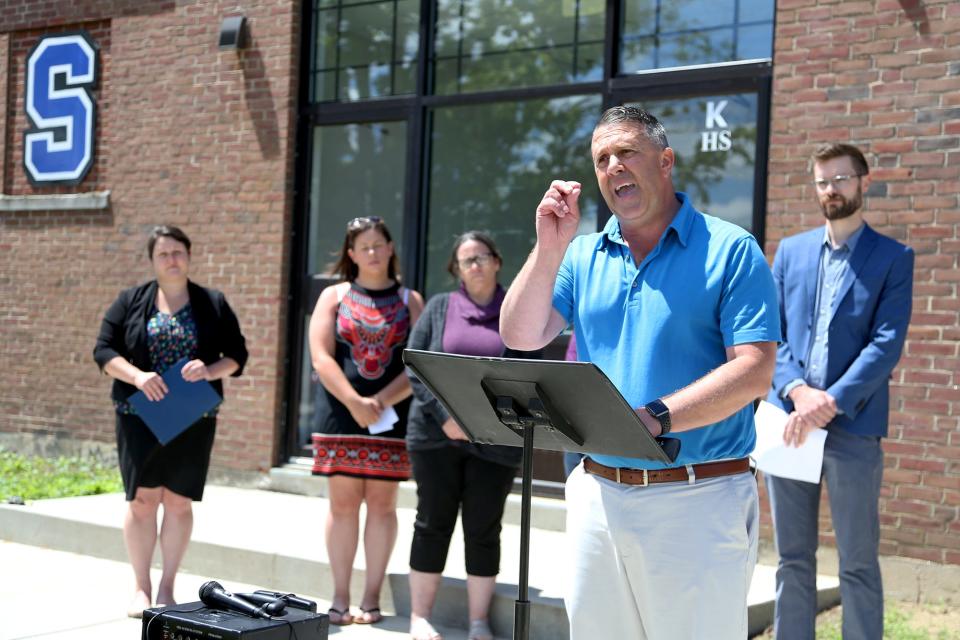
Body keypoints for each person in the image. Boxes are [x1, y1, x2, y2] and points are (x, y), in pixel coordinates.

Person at [499, 105, 780, 639]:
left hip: (696, 497)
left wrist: (654, 418)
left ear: (665, 160)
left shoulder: (731, 249)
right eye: (602, 159)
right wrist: (548, 246)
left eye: (626, 152)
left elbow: (754, 372)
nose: (613, 167)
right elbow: (520, 334)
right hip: (595, 494)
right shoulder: (582, 255)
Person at [765, 143, 914, 639]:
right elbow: (772, 333)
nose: (831, 189)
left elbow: (886, 344)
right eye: (823, 181)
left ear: (864, 183)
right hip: (790, 424)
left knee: (857, 562)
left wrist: (828, 401)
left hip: (853, 427)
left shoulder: (894, 258)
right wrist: (797, 391)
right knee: (792, 560)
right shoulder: (791, 252)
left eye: (841, 179)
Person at [93, 225, 248, 618]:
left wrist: (210, 370)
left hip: (193, 416)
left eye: (178, 252)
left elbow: (237, 355)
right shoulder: (131, 300)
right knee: (143, 501)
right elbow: (103, 350)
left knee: (178, 502)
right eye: (163, 254)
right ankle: (141, 588)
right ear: (153, 260)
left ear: (189, 255)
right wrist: (138, 376)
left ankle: (167, 587)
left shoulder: (212, 303)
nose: (172, 260)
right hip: (138, 415)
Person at [405, 231, 537, 640]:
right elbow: (416, 363)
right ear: (456, 269)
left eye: (482, 257)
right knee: (432, 522)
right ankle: (419, 617)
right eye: (466, 260)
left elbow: (526, 375)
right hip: (435, 435)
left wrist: (488, 424)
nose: (475, 265)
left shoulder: (516, 311)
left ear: (497, 262)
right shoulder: (440, 307)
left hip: (496, 442)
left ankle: (478, 622)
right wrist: (446, 416)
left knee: (484, 527)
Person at [308, 216, 424, 626]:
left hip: (389, 418)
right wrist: (355, 401)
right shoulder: (333, 296)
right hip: (340, 415)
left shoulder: (411, 300)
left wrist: (377, 401)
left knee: (382, 506)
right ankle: (339, 597)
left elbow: (417, 363)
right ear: (351, 254)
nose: (373, 252)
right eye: (364, 246)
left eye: (379, 244)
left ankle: (371, 598)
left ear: (390, 248)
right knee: (342, 507)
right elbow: (321, 357)